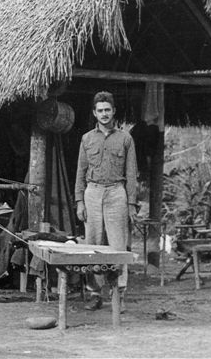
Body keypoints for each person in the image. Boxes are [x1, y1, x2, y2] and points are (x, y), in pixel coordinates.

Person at [74, 91, 138, 311]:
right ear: (94, 113)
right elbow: (80, 172)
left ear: (114, 111)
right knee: (92, 245)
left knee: (118, 246)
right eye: (100, 110)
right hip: (92, 193)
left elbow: (131, 174)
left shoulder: (126, 139)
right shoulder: (87, 139)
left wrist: (131, 205)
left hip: (116, 193)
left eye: (107, 110)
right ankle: (94, 293)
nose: (104, 114)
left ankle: (118, 294)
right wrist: (79, 202)